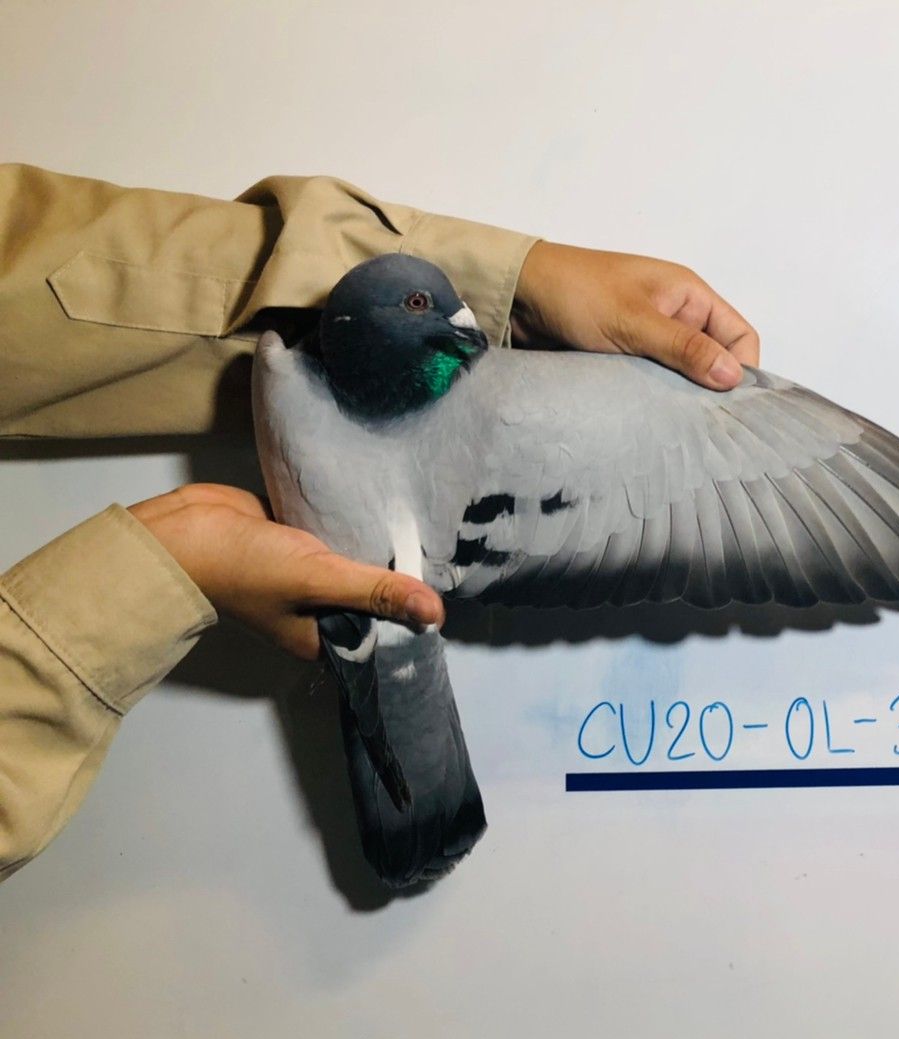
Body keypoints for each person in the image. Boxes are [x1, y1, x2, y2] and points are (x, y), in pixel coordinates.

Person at [0, 163, 760, 881]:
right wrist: (170, 564)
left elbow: (38, 261)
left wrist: (517, 279)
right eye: (428, 307)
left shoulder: (299, 363)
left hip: (389, 567)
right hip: (369, 586)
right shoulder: (281, 369)